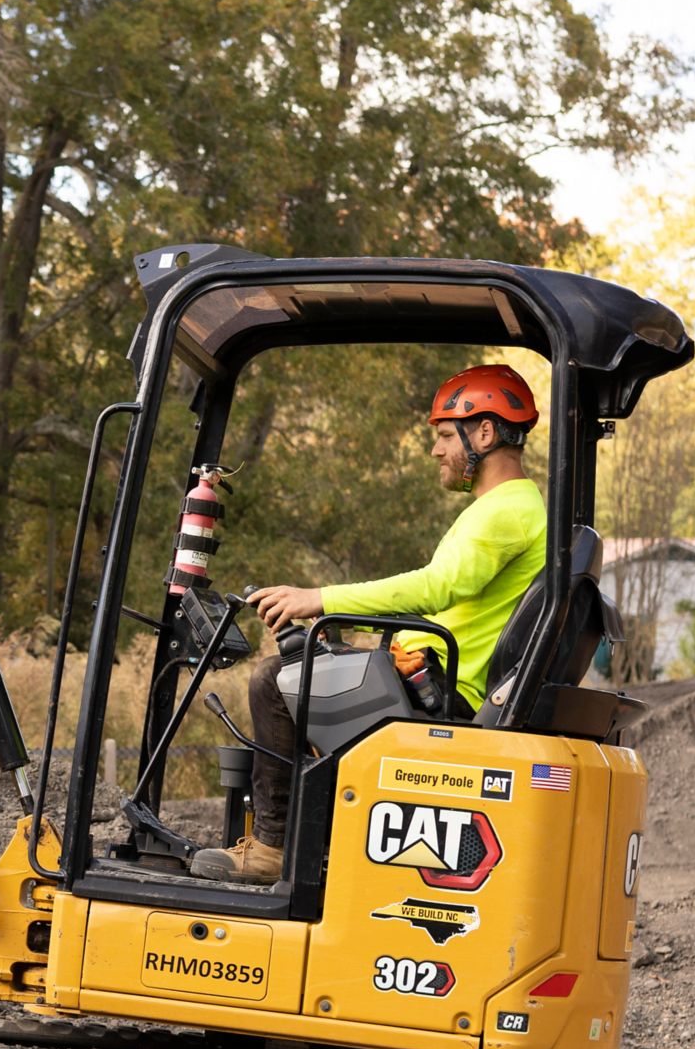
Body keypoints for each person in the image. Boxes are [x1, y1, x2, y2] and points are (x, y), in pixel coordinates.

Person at [190, 364, 547, 883]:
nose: (436, 451)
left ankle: (272, 847)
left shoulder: (505, 511)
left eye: (446, 436)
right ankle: (317, 840)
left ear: (486, 433)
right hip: (431, 673)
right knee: (307, 665)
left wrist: (318, 599)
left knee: (275, 681)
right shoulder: (515, 507)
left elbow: (437, 587)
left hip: (443, 692)